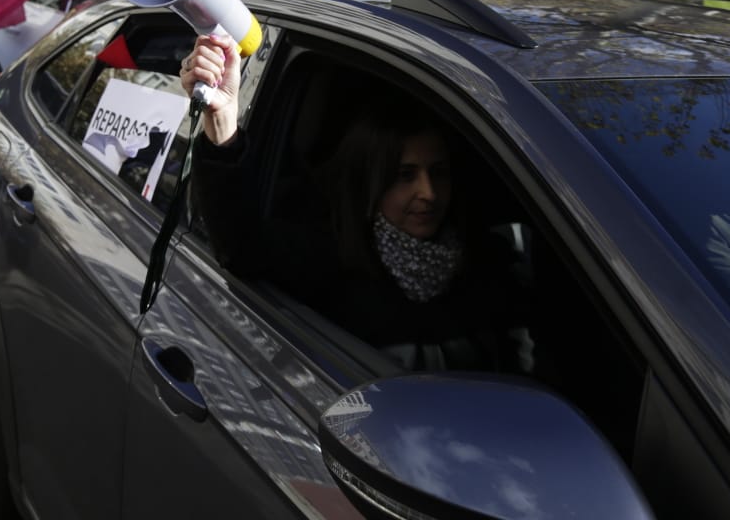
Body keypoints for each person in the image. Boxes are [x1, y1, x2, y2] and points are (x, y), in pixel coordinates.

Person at [179, 33, 534, 374]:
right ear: (372, 183)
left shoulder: (490, 264)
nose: (428, 192)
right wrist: (222, 123)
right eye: (404, 175)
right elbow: (240, 244)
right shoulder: (328, 256)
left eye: (438, 173)